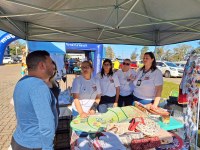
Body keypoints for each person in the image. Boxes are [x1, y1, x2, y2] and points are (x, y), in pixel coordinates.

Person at [11, 50, 58, 150]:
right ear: (42, 66)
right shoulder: (39, 87)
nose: (52, 66)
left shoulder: (22, 81)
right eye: (50, 63)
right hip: (35, 145)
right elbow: (46, 124)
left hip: (20, 140)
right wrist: (47, 147)